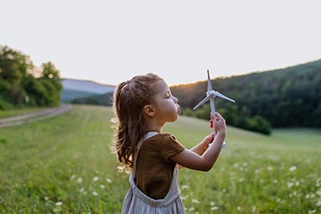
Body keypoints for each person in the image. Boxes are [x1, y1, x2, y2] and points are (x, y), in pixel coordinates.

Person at [111, 73, 226, 214]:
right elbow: (204, 164)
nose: (175, 99)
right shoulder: (162, 141)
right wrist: (221, 134)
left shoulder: (142, 139)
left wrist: (204, 145)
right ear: (150, 110)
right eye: (167, 96)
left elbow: (175, 165)